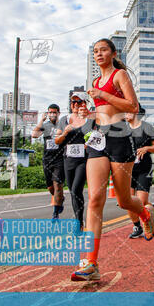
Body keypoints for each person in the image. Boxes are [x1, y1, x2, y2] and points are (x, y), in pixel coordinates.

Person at [71, 38, 154, 282]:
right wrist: (89, 114)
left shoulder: (118, 76)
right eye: (96, 51)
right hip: (99, 138)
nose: (99, 54)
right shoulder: (96, 81)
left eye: (103, 50)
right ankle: (91, 263)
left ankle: (146, 213)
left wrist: (102, 95)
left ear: (113, 53)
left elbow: (132, 105)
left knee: (123, 199)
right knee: (95, 198)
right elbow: (102, 113)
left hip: (121, 138)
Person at [55, 97, 93, 230]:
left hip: (83, 160)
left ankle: (78, 223)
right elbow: (57, 141)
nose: (76, 105)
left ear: (84, 105)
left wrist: (89, 144)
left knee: (77, 189)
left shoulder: (90, 120)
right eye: (74, 102)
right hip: (68, 159)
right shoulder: (64, 120)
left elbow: (99, 136)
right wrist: (65, 132)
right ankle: (79, 219)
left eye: (79, 102)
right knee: (72, 191)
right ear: (71, 105)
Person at [125, 107, 154, 238]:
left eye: (127, 110)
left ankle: (151, 210)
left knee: (141, 201)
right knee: (127, 201)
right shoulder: (122, 129)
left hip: (144, 168)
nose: (125, 113)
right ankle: (137, 227)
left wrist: (147, 148)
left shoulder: (147, 127)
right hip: (128, 170)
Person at [32, 104, 65, 219]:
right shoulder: (45, 125)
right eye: (50, 112)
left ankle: (55, 214)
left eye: (54, 112)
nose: (52, 114)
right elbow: (34, 135)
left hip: (60, 159)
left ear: (58, 113)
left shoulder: (63, 125)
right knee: (51, 188)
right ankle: (60, 198)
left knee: (57, 186)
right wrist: (41, 120)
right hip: (47, 159)